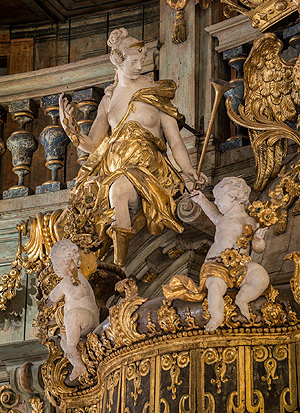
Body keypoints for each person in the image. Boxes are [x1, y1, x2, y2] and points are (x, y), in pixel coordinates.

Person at [58, 28, 206, 268]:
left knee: (118, 191)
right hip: (115, 167)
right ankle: (116, 266)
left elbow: (175, 141)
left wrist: (188, 171)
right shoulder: (109, 100)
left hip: (149, 169)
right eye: (134, 61)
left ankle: (119, 267)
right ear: (118, 61)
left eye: (142, 61)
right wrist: (71, 131)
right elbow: (93, 144)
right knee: (101, 197)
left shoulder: (156, 93)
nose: (140, 66)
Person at [163, 177, 269, 332]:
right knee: (215, 287)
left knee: (261, 277)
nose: (217, 203)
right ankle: (217, 316)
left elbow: (258, 248)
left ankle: (243, 298)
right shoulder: (223, 219)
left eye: (219, 199)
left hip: (241, 265)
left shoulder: (251, 222)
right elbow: (211, 211)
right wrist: (200, 199)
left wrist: (259, 239)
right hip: (216, 264)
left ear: (233, 197)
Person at [49, 239, 99, 380]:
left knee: (71, 316)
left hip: (85, 319)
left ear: (66, 262)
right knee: (63, 339)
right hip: (87, 322)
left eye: (56, 265)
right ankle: (78, 365)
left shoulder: (67, 282)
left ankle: (72, 347)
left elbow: (53, 297)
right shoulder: (81, 278)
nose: (55, 269)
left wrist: (49, 305)